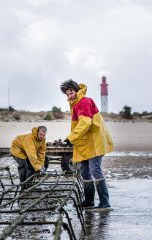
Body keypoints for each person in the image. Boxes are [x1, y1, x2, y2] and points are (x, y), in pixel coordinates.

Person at [60, 79, 114, 210]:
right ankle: (89, 201)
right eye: (67, 94)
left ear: (77, 90)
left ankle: (105, 203)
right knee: (84, 171)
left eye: (71, 92)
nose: (70, 96)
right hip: (84, 143)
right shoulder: (75, 104)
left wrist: (70, 138)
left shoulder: (84, 102)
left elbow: (85, 123)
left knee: (95, 169)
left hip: (95, 141)